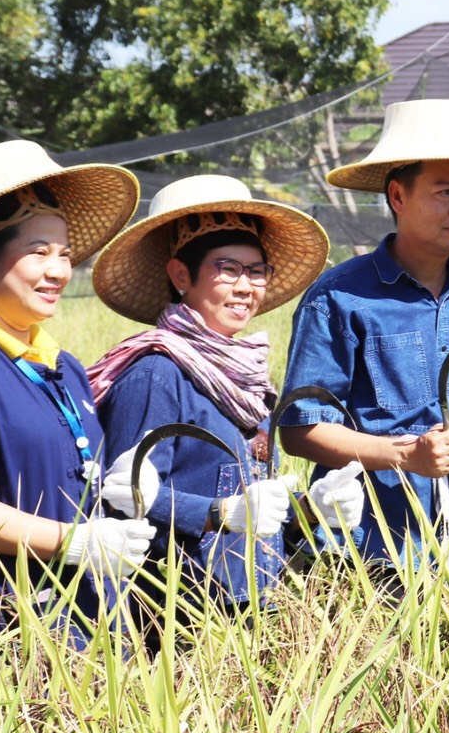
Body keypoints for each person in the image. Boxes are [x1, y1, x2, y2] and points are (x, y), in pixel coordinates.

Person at [278, 99, 449, 568]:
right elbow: (300, 431)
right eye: (445, 192)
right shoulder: (340, 297)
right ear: (398, 197)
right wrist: (406, 454)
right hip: (368, 547)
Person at [89, 174, 359, 615]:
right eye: (228, 269)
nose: (246, 287)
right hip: (176, 615)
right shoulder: (157, 374)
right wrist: (219, 513)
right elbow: (122, 499)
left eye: (256, 271)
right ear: (181, 274)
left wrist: (310, 510)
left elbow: (253, 508)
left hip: (253, 604)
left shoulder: (248, 381)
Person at [0, 140, 151, 645]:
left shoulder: (64, 366)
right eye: (39, 252)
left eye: (65, 254)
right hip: (5, 630)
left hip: (88, 619)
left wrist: (125, 483)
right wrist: (72, 542)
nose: (58, 271)